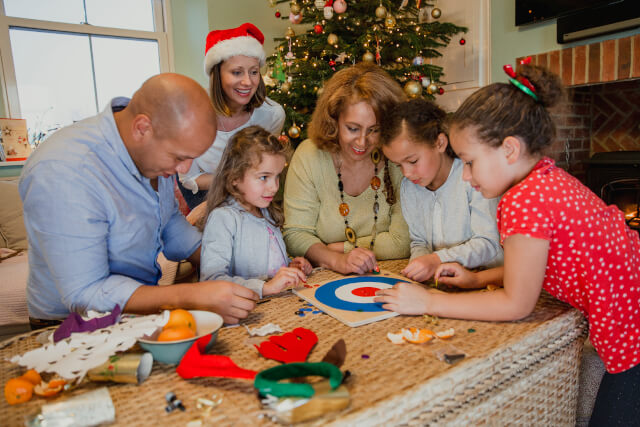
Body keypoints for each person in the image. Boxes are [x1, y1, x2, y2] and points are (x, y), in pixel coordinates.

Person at [374, 62, 640, 425]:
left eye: (469, 162)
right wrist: (477, 279)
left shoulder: (522, 201)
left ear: (510, 150)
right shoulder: (546, 177)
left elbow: (517, 303)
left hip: (632, 326)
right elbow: (539, 264)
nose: (465, 176)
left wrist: (427, 300)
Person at [19, 73, 259, 326]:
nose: (183, 169)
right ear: (142, 128)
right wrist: (192, 295)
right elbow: (86, 292)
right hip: (68, 324)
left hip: (133, 313)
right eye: (178, 157)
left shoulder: (152, 152)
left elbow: (169, 224)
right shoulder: (64, 170)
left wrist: (229, 263)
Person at [283, 63, 410, 275]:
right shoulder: (309, 156)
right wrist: (338, 261)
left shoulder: (396, 158)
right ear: (333, 119)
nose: (362, 141)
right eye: (352, 128)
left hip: (391, 273)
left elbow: (401, 242)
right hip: (324, 276)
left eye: (374, 130)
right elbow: (296, 234)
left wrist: (342, 248)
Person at [379, 99, 503, 283]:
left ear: (440, 143)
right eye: (398, 165)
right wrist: (419, 265)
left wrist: (436, 260)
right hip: (446, 282)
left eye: (413, 161)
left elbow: (488, 243)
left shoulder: (472, 178)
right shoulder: (409, 188)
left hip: (488, 282)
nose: (407, 173)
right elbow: (419, 242)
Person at [177, 23, 285, 209]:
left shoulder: (272, 115)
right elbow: (189, 178)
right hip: (204, 190)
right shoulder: (190, 115)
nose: (247, 82)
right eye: (236, 72)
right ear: (217, 75)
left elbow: (264, 169)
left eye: (254, 72)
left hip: (249, 190)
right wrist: (236, 181)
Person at [198, 126, 312, 298]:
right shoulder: (223, 218)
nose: (274, 187)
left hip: (279, 306)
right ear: (234, 177)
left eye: (277, 177)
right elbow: (212, 281)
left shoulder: (265, 212)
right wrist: (264, 287)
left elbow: (267, 264)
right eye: (264, 177)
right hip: (247, 313)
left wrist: (290, 267)